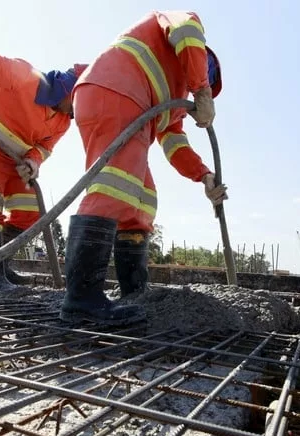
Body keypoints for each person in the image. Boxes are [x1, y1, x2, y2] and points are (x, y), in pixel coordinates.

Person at [59, 10, 226, 325]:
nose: (192, 93)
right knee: (114, 188)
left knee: (143, 198)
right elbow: (188, 32)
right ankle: (81, 300)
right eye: (203, 78)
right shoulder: (184, 24)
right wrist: (203, 91)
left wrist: (203, 175)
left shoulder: (170, 94)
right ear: (202, 62)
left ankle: (132, 291)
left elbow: (174, 144)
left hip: (115, 98)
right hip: (117, 91)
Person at [0, 50, 87, 294]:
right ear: (70, 89)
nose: (79, 113)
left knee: (29, 212)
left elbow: (44, 147)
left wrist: (33, 162)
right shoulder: (25, 76)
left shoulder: (63, 121)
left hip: (14, 163)